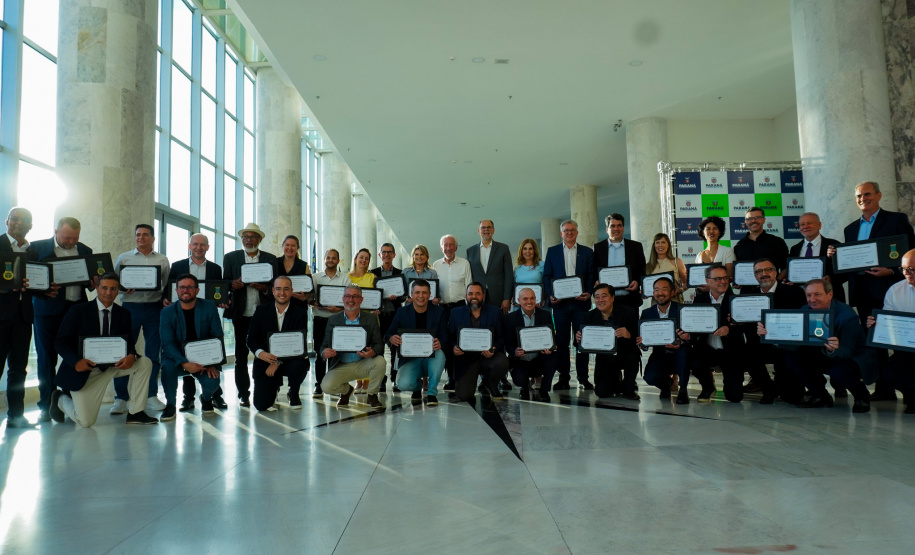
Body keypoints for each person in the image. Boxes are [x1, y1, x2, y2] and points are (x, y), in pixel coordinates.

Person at [831, 181, 915, 402]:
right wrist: (836, 256)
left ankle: (908, 387)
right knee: (874, 340)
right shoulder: (850, 229)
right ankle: (883, 387)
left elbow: (909, 254)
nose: (862, 199)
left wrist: (893, 271)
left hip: (890, 290)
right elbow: (851, 260)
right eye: (858, 196)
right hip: (863, 292)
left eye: (867, 194)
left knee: (899, 339)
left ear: (878, 195)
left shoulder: (896, 220)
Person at [49, 273, 158, 426]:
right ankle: (60, 399)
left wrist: (131, 355)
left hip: (113, 367)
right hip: (86, 371)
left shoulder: (124, 314)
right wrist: (75, 362)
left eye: (113, 289)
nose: (108, 292)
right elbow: (60, 342)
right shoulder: (78, 311)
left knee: (145, 362)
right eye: (104, 288)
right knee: (85, 422)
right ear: (97, 288)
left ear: (118, 290)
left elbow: (130, 343)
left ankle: (136, 412)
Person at [764, 279, 875, 413]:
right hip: (821, 353)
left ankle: (861, 395)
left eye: (817, 294)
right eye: (808, 295)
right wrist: (771, 334)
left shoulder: (847, 315)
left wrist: (834, 349)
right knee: (792, 358)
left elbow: (848, 350)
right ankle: (821, 396)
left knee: (838, 372)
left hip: (851, 357)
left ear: (830, 294)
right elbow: (795, 343)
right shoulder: (805, 310)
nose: (812, 299)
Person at [30, 216, 95, 422]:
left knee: (73, 357)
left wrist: (93, 284)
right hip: (47, 311)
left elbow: (90, 283)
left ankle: (66, 400)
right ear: (56, 231)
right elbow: (30, 280)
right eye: (67, 237)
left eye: (75, 238)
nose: (70, 242)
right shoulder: (37, 248)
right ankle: (45, 404)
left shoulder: (85, 251)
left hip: (76, 311)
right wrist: (43, 288)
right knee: (46, 358)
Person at [112, 224, 171, 414]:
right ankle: (121, 398)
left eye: (145, 235)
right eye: (138, 235)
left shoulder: (162, 260)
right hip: (130, 308)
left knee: (153, 353)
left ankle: (151, 395)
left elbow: (167, 286)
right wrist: (123, 287)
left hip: (154, 309)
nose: (141, 238)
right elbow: (113, 282)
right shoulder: (124, 258)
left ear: (153, 238)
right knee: (123, 351)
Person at [166, 233, 228, 411]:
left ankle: (215, 394)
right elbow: (171, 290)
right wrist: (167, 300)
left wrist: (222, 301)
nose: (199, 247)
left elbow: (218, 291)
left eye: (203, 244)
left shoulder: (216, 268)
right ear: (189, 246)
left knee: (209, 352)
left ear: (208, 247)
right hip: (183, 318)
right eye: (195, 244)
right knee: (187, 352)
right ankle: (188, 398)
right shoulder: (178, 266)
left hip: (207, 318)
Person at [738, 258, 807, 404]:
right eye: (759, 271)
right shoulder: (749, 297)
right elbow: (745, 325)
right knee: (747, 353)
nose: (764, 274)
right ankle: (768, 388)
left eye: (768, 270)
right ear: (755, 276)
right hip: (761, 343)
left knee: (792, 396)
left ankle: (784, 385)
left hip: (788, 345)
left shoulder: (794, 292)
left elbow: (801, 320)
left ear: (775, 272)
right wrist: (756, 330)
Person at [222, 222, 277, 407]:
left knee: (268, 354)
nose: (248, 240)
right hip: (241, 314)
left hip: (264, 315)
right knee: (241, 356)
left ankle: (269, 389)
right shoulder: (231, 258)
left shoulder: (270, 259)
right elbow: (224, 283)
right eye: (245, 236)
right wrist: (232, 285)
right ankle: (243, 393)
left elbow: (275, 286)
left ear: (259, 239)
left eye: (252, 236)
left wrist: (264, 288)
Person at [158, 274, 223, 420]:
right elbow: (167, 344)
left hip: (204, 358)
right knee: (167, 368)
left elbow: (217, 335)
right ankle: (170, 405)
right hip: (177, 356)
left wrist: (212, 362)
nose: (185, 290)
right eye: (182, 287)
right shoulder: (167, 313)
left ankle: (206, 399)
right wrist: (185, 363)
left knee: (213, 382)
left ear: (197, 290)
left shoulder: (209, 306)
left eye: (189, 287)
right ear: (176, 290)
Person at [542, 219, 595, 391]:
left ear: (577, 232)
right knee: (562, 342)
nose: (569, 233)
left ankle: (583, 378)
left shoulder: (587, 252)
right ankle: (564, 377)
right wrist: (551, 295)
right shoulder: (552, 252)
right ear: (561, 233)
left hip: (581, 304)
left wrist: (588, 291)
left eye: (572, 230)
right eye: (566, 230)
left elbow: (591, 274)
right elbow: (547, 276)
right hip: (561, 306)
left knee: (582, 341)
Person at [246, 276, 309, 411]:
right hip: (265, 359)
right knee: (261, 405)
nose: (282, 293)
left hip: (291, 360)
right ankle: (273, 387)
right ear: (273, 291)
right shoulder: (261, 311)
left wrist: (277, 362)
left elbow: (298, 345)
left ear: (292, 291)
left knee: (300, 365)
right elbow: (251, 339)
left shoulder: (300, 313)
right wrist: (260, 353)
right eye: (278, 289)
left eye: (286, 289)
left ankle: (293, 392)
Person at [320, 284, 386, 409]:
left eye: (355, 296)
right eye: (348, 296)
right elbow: (324, 345)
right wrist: (324, 352)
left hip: (363, 363)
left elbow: (379, 344)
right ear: (343, 299)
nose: (351, 300)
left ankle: (372, 395)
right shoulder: (333, 319)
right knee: (327, 387)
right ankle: (346, 391)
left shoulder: (371, 319)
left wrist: (373, 352)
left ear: (361, 299)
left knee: (380, 361)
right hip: (341, 365)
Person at [867, 249, 915, 414]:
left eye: (912, 269)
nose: (907, 273)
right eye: (904, 269)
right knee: (890, 374)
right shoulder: (895, 290)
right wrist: (876, 324)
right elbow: (887, 323)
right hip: (906, 349)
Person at [385, 279, 448, 406]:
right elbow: (389, 333)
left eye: (424, 293)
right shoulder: (402, 312)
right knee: (403, 384)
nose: (421, 296)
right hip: (410, 359)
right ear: (411, 294)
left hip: (431, 358)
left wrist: (441, 342)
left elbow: (445, 335)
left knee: (440, 354)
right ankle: (416, 387)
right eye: (417, 292)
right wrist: (392, 338)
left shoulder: (438, 311)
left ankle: (431, 393)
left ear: (430, 294)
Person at [1, 208, 36, 428]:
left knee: (18, 368)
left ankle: (16, 415)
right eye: (15, 219)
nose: (20, 223)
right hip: (0, 316)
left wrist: (46, 290)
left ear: (30, 226)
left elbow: (36, 280)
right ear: (7, 221)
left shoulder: (33, 252)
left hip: (23, 318)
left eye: (25, 221)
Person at [690, 264, 744, 403]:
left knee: (734, 397)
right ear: (708, 281)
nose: (723, 281)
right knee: (694, 361)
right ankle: (708, 387)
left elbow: (748, 327)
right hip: (707, 349)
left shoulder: (737, 301)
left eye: (725, 278)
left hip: (731, 351)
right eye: (718, 278)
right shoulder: (699, 300)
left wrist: (729, 329)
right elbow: (693, 326)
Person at [449, 282, 510, 404]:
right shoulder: (456, 313)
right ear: (466, 296)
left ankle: (491, 384)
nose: (474, 297)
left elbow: (501, 338)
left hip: (488, 356)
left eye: (478, 293)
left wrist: (493, 349)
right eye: (470, 294)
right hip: (466, 359)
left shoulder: (494, 312)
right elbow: (450, 337)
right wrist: (453, 347)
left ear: (483, 295)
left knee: (502, 362)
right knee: (464, 395)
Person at [638, 277, 695, 404]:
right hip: (660, 353)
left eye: (664, 289)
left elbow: (693, 336)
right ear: (653, 293)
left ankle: (683, 390)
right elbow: (644, 341)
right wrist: (642, 343)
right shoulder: (647, 313)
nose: (660, 293)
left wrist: (685, 339)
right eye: (656, 290)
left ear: (673, 292)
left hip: (680, 352)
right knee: (649, 377)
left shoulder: (682, 310)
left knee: (683, 353)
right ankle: (665, 385)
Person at [577, 284, 639, 399]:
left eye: (604, 296)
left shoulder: (629, 312)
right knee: (601, 392)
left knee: (632, 359)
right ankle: (617, 382)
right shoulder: (589, 316)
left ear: (613, 297)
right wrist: (579, 339)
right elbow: (580, 345)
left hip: (626, 354)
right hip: (605, 358)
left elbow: (639, 339)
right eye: (597, 297)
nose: (600, 300)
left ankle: (628, 386)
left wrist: (629, 334)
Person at [432, 234, 472, 390]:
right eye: (445, 245)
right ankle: (450, 378)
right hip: (442, 309)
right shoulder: (435, 265)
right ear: (441, 248)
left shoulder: (465, 264)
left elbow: (469, 287)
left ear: (456, 247)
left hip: (461, 307)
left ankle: (462, 376)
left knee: (461, 342)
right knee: (447, 343)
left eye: (451, 245)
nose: (448, 248)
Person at [503, 287, 554, 402]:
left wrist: (550, 348)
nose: (529, 302)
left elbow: (551, 338)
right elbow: (508, 344)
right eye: (525, 299)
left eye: (532, 298)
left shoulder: (545, 315)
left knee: (554, 357)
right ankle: (524, 387)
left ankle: (544, 390)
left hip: (539, 359)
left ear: (536, 299)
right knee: (520, 378)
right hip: (520, 361)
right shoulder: (510, 318)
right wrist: (515, 351)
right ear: (518, 301)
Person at [785, 212, 845, 302]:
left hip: (829, 299)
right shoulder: (794, 249)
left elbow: (845, 272)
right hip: (801, 299)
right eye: (802, 224)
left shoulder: (833, 245)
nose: (806, 226)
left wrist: (831, 279)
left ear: (819, 225)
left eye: (809, 223)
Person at [311, 249, 347, 397]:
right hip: (319, 320)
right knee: (320, 353)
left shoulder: (345, 279)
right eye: (328, 258)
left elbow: (350, 300)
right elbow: (309, 298)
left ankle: (334, 384)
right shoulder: (315, 278)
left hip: (337, 321)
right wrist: (316, 303)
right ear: (324, 259)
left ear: (338, 261)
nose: (330, 260)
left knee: (335, 353)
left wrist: (338, 308)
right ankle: (319, 384)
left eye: (334, 258)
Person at [593, 213, 646, 312]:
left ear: (623, 228)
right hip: (606, 301)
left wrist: (637, 281)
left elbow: (642, 270)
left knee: (630, 327)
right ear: (607, 229)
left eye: (619, 225)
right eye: (612, 226)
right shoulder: (598, 248)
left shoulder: (636, 247)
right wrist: (596, 281)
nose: (616, 229)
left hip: (630, 299)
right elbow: (593, 270)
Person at [370, 243, 403, 392]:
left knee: (396, 348)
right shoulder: (373, 273)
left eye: (390, 252)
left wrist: (398, 296)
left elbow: (404, 296)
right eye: (384, 252)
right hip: (379, 316)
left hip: (395, 315)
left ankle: (395, 379)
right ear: (379, 255)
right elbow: (369, 295)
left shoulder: (400, 273)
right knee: (379, 349)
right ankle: (381, 381)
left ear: (394, 255)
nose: (387, 255)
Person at [466, 219, 514, 313]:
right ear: (478, 231)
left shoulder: (503, 249)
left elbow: (509, 275)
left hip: (498, 297)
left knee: (499, 324)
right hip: (477, 297)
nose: (486, 230)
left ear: (493, 230)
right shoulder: (470, 251)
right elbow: (468, 276)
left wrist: (507, 298)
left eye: (489, 227)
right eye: (483, 228)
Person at [347, 248, 376, 393]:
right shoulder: (347, 278)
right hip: (353, 318)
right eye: (361, 257)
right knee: (357, 349)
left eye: (366, 258)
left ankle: (367, 382)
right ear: (356, 258)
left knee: (369, 349)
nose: (363, 260)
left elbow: (378, 297)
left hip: (370, 318)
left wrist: (378, 307)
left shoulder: (372, 277)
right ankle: (359, 381)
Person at [733, 207, 789, 273]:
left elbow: (786, 267)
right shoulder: (739, 246)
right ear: (745, 222)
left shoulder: (777, 242)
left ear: (764, 220)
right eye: (750, 218)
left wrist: (778, 281)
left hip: (772, 283)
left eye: (757, 217)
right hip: (746, 283)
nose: (753, 221)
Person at [273, 234, 312, 312]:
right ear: (283, 246)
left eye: (293, 246)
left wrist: (303, 297)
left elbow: (310, 290)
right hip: (278, 307)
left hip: (298, 307)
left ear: (297, 248)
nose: (290, 248)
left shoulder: (304, 265)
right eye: (287, 245)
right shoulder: (275, 263)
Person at [646, 232, 688, 303]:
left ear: (668, 245)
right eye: (657, 242)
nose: (660, 245)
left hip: (674, 302)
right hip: (656, 304)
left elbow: (686, 282)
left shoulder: (676, 262)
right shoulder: (648, 266)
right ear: (654, 246)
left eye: (663, 242)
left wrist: (680, 289)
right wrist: (645, 292)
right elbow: (647, 287)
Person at [695, 216, 735, 281]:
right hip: (702, 291)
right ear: (703, 232)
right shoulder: (699, 255)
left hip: (722, 290)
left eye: (715, 228)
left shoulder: (727, 251)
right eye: (708, 229)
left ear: (719, 232)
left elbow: (729, 277)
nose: (711, 231)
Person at [512, 238, 545, 310]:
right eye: (525, 249)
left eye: (530, 249)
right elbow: (513, 287)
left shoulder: (542, 265)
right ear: (521, 251)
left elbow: (546, 283)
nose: (527, 251)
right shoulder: (517, 268)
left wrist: (543, 298)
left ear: (534, 251)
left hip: (538, 305)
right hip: (520, 307)